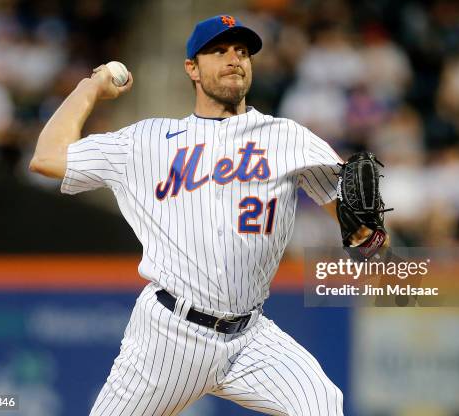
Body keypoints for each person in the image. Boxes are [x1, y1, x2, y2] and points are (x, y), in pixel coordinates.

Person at [30, 14, 374, 416]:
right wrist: (89, 87)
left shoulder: (288, 137)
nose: (234, 59)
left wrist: (366, 233)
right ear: (191, 68)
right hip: (169, 336)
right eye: (219, 51)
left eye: (242, 52)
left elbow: (357, 222)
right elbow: (47, 158)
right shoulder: (147, 140)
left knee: (321, 404)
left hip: (251, 337)